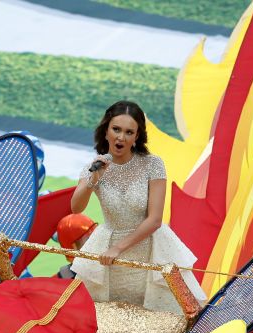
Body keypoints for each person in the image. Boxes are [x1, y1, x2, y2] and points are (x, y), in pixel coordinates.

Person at [70, 100, 206, 314]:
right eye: (116, 129)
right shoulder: (94, 167)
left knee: (163, 320)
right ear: (106, 131)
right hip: (109, 258)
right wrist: (93, 178)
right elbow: (76, 207)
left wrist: (118, 248)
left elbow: (154, 219)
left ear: (136, 137)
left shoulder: (153, 164)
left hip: (150, 251)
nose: (120, 137)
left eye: (128, 132)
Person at [55, 213, 97, 279]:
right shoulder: (65, 276)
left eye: (95, 235)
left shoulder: (109, 262)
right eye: (88, 239)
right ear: (73, 248)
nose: (95, 243)